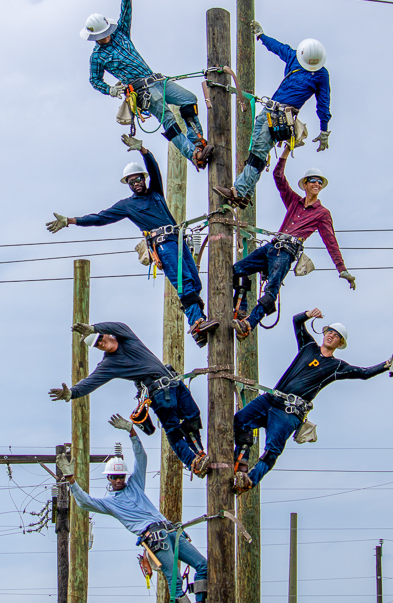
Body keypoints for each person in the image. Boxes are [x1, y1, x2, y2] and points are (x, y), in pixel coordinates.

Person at [45, 145, 219, 345]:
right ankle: (197, 322)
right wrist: (70, 221)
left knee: (195, 282)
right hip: (163, 244)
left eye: (138, 179)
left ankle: (199, 326)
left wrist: (143, 151)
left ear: (144, 179)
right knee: (184, 281)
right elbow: (100, 218)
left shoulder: (156, 193)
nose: (136, 183)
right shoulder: (127, 205)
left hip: (178, 240)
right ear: (127, 184)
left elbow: (154, 169)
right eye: (131, 181)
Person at [232, 308, 393, 494]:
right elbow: (296, 321)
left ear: (340, 343)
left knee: (272, 450)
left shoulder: (336, 366)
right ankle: (241, 463)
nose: (331, 335)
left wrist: (386, 365)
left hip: (289, 412)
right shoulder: (308, 346)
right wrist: (308, 314)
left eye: (336, 335)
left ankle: (249, 480)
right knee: (240, 420)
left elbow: (363, 373)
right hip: (271, 399)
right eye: (330, 331)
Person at [58, 414, 208, 603]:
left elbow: (141, 458)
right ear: (109, 479)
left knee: (203, 565)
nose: (119, 479)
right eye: (115, 477)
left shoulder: (135, 485)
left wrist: (131, 431)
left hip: (170, 530)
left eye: (121, 476)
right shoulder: (109, 503)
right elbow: (84, 501)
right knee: (175, 581)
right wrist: (71, 480)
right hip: (155, 538)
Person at [228, 144, 356, 339]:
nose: (317, 184)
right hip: (272, 247)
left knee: (272, 288)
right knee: (237, 269)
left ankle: (248, 325)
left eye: (319, 182)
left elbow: (331, 242)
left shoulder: (322, 214)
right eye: (313, 181)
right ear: (305, 184)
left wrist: (342, 269)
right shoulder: (294, 202)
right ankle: (242, 310)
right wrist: (287, 150)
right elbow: (278, 177)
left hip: (286, 252)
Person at [82, 0, 211, 169]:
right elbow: (94, 80)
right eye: (101, 36)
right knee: (168, 118)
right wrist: (111, 90)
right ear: (94, 37)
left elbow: (126, 12)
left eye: (106, 32)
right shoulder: (97, 57)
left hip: (158, 80)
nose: (106, 37)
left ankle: (198, 141)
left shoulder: (120, 34)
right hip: (142, 91)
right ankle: (194, 154)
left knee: (188, 99)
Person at [49, 321, 209, 477]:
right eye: (97, 345)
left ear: (107, 334)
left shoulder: (127, 337)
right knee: (173, 429)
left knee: (192, 418)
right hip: (159, 394)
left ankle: (199, 454)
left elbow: (118, 326)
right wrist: (71, 393)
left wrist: (93, 328)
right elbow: (91, 381)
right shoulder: (110, 364)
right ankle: (192, 463)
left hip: (174, 383)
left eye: (100, 338)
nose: (101, 343)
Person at [215, 21, 331, 208]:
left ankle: (240, 191)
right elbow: (278, 48)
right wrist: (262, 36)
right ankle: (246, 193)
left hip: (282, 116)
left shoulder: (321, 75)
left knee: (259, 152)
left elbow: (323, 104)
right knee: (255, 151)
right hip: (268, 110)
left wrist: (324, 130)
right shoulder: (295, 58)